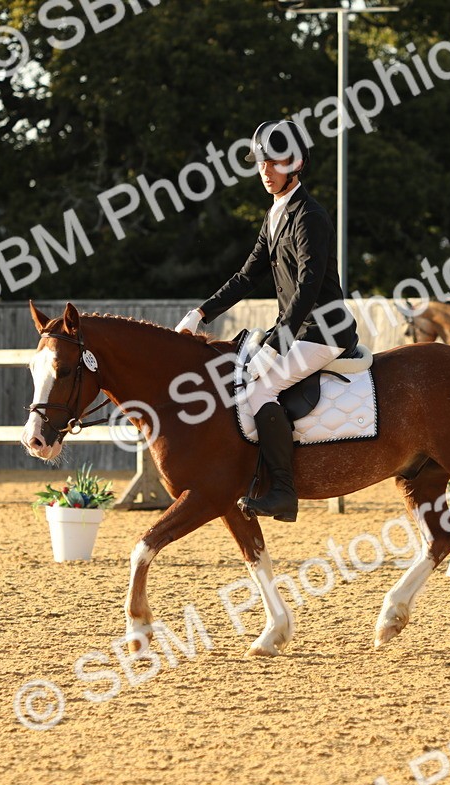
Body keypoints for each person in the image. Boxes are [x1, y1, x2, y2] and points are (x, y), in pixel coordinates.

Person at [174, 119, 358, 523]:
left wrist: (279, 342)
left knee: (259, 390)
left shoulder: (310, 215)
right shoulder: (276, 214)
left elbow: (309, 285)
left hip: (322, 330)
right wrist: (201, 313)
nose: (265, 171)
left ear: (296, 165)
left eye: (273, 163)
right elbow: (246, 275)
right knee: (240, 375)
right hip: (297, 329)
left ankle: (282, 491)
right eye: (261, 163)